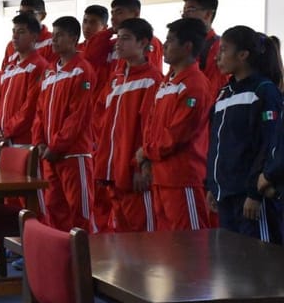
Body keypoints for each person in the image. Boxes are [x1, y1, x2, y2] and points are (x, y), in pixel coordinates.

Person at [207, 27, 283, 243]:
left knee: (260, 264)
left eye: (224, 50)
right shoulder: (224, 93)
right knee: (233, 263)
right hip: (225, 194)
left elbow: (269, 145)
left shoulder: (264, 91)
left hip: (250, 197)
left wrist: (254, 193)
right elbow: (216, 144)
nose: (217, 56)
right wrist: (212, 185)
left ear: (243, 55)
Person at [136, 18, 211, 231]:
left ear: (187, 47)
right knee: (167, 250)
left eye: (170, 41)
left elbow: (177, 133)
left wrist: (147, 152)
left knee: (190, 246)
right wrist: (146, 159)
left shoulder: (194, 84)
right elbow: (151, 123)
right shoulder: (168, 81)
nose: (165, 46)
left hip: (182, 178)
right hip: (160, 177)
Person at [93, 18, 163, 233]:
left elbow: (149, 129)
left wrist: (140, 166)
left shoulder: (152, 80)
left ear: (143, 43)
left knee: (142, 235)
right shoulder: (116, 79)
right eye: (118, 38)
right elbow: (102, 121)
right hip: (112, 172)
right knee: (120, 235)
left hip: (132, 173)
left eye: (125, 39)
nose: (118, 44)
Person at [32, 16, 96, 232]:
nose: (54, 40)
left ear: (74, 38)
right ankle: (62, 259)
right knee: (54, 208)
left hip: (72, 154)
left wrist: (56, 145)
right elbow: (40, 111)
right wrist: (40, 142)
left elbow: (77, 116)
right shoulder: (50, 71)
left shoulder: (82, 70)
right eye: (54, 35)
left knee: (79, 211)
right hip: (50, 155)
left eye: (60, 36)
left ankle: (85, 262)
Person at [0, 13, 47, 150]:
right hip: (3, 140)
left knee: (23, 172)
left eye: (21, 32)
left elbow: (30, 107)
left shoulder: (39, 66)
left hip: (24, 141)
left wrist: (7, 130)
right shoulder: (9, 67)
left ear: (34, 36)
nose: (15, 37)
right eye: (13, 32)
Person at [181, 0, 228, 99]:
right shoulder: (181, 46)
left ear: (208, 14)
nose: (184, 15)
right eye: (183, 10)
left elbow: (215, 87)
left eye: (190, 9)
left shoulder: (220, 47)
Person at [1, 0, 56, 67]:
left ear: (43, 16)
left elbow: (54, 73)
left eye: (29, 13)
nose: (24, 17)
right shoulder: (11, 45)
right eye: (21, 13)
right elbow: (4, 74)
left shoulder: (53, 42)